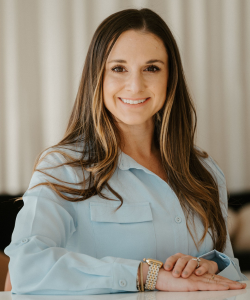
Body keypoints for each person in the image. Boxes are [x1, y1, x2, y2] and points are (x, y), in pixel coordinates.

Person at [4, 8, 248, 295]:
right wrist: (148, 275)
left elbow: (230, 267)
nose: (135, 85)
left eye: (152, 68)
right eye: (119, 68)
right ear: (98, 76)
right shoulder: (63, 166)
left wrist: (209, 267)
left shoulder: (205, 170)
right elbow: (24, 267)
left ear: (170, 78)